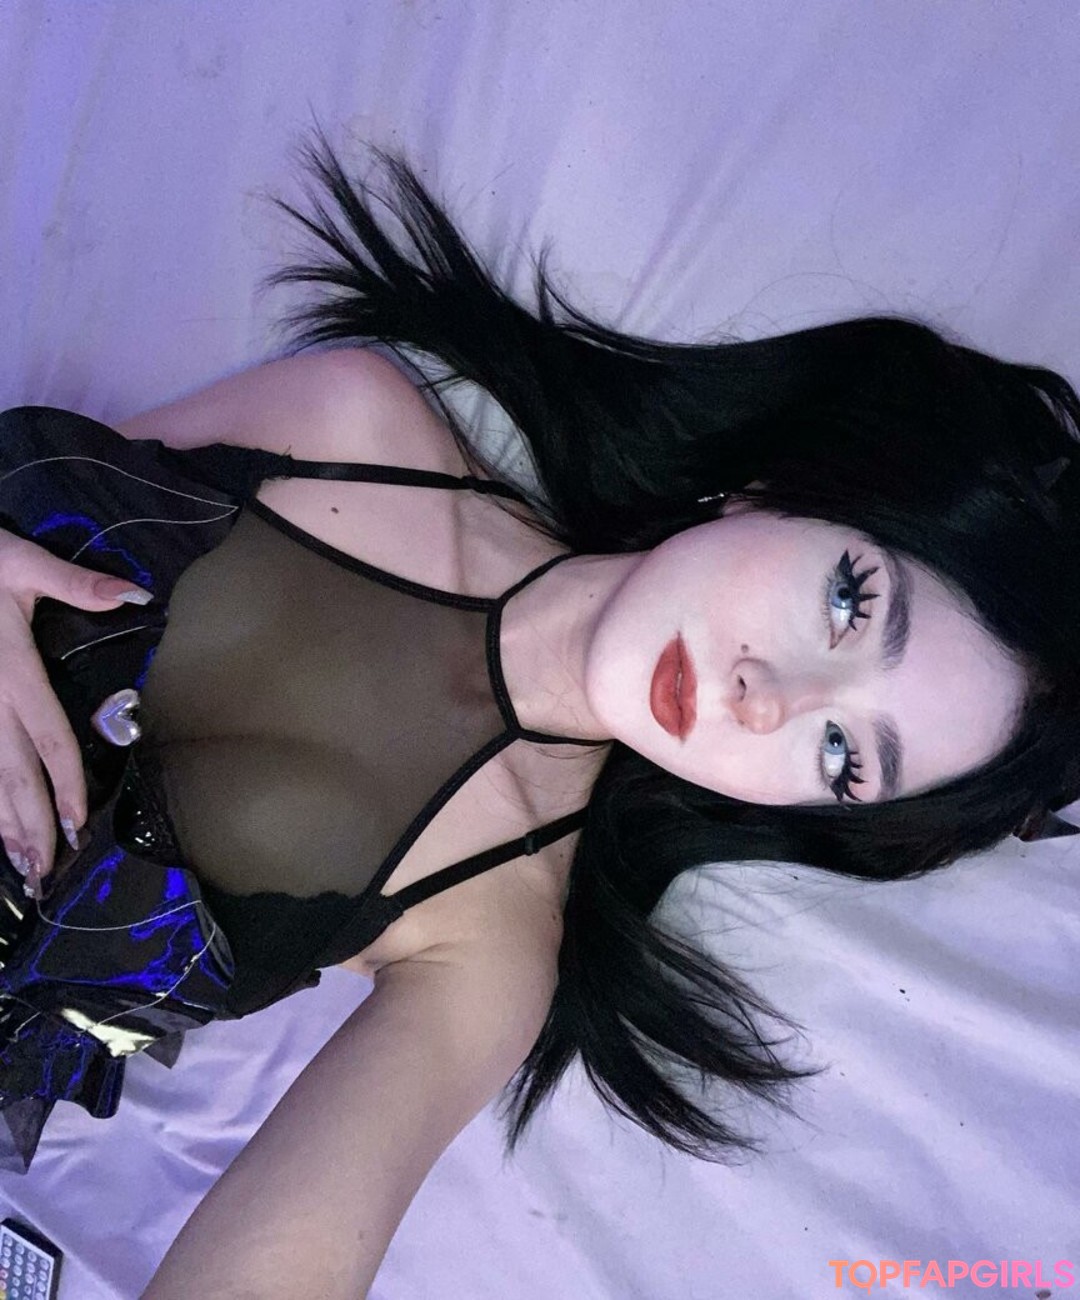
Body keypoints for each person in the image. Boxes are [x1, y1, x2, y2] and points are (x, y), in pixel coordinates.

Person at [1, 130, 1078, 1296]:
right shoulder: (351, 425)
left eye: (842, 754)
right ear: (775, 492)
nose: (766, 696)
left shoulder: (490, 949)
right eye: (849, 603)